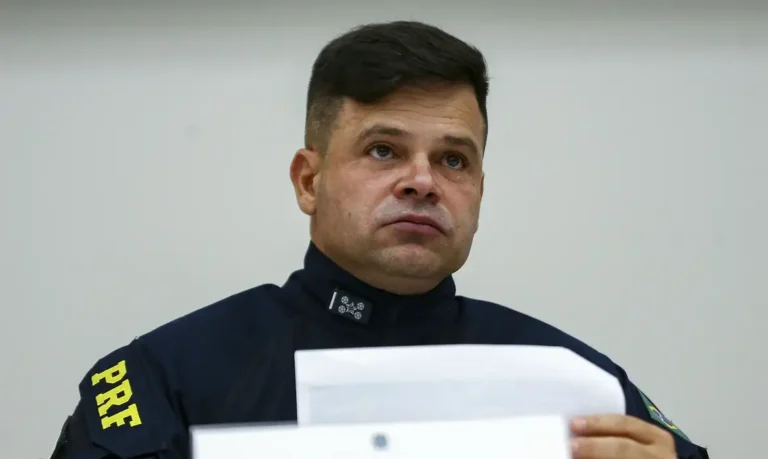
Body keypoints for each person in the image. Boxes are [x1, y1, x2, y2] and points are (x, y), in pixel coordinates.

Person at [49, 21, 710, 459]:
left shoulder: (577, 384)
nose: (422, 181)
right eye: (384, 150)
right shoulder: (165, 378)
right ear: (309, 180)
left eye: (453, 160)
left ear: (480, 188)